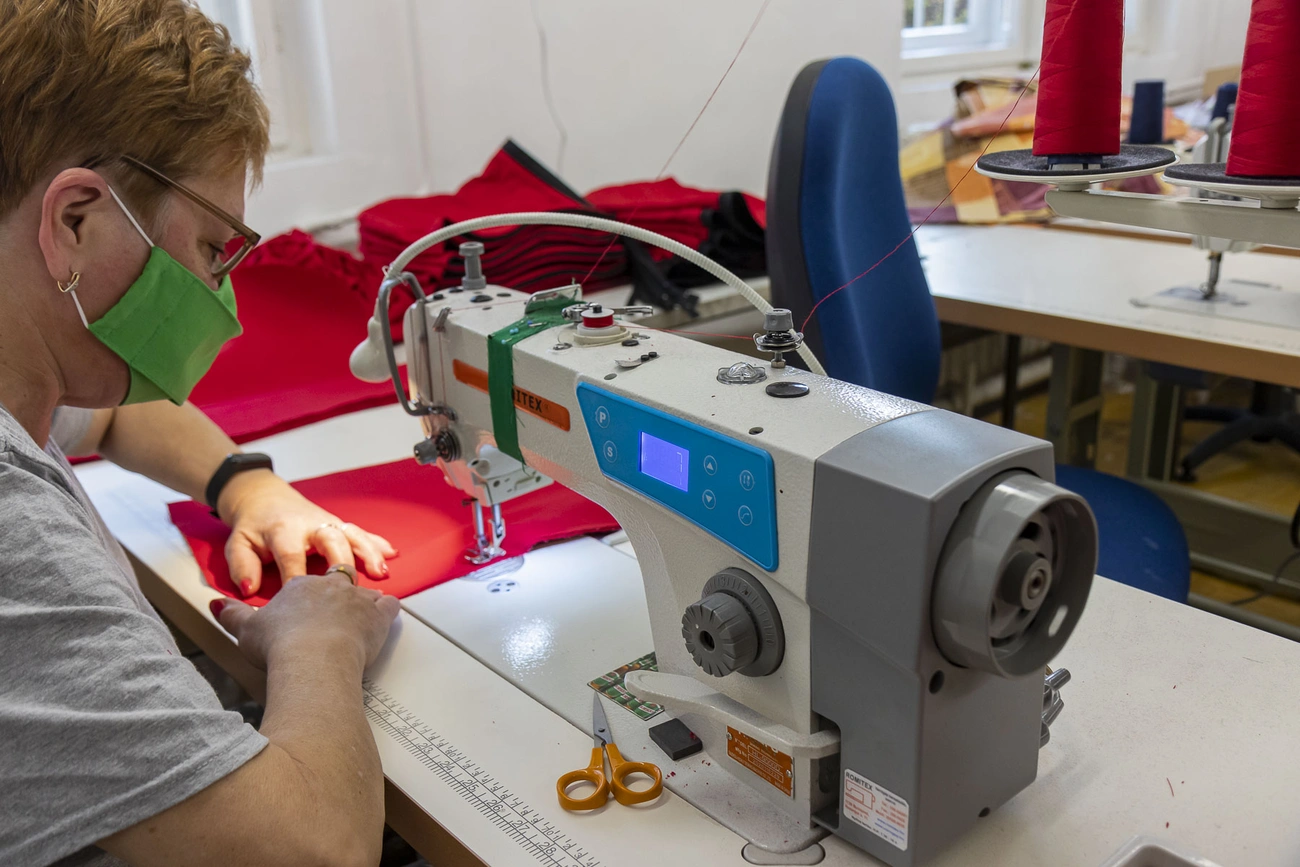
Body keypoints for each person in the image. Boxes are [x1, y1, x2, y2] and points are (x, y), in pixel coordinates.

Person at [0, 2, 403, 865]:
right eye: (212, 249)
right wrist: (317, 642)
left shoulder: (21, 381)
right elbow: (315, 850)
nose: (219, 293)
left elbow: (110, 413)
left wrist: (246, 486)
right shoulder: (12, 529)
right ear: (74, 220)